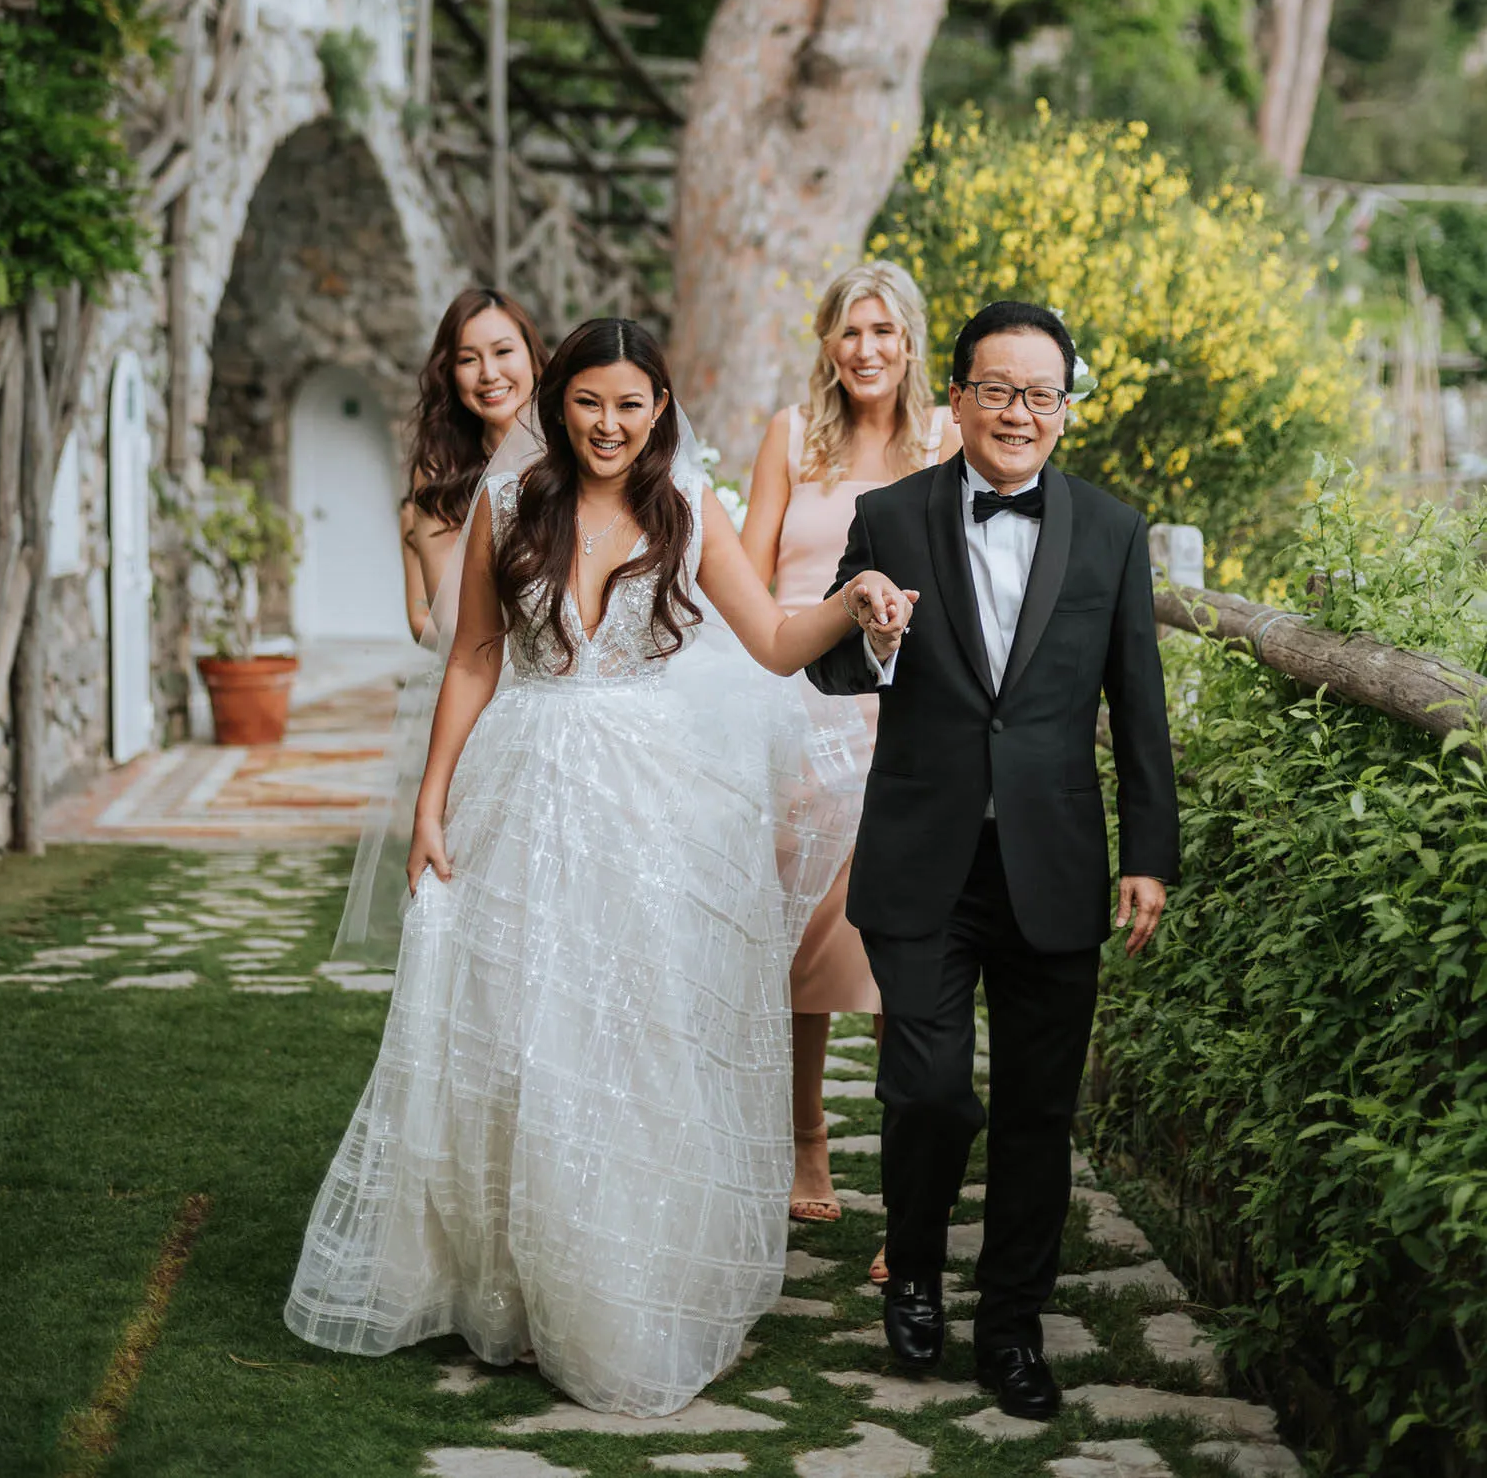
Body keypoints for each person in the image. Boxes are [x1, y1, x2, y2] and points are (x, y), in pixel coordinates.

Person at [287, 317, 915, 1416]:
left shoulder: (691, 511)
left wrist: (853, 605)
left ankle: (626, 1275)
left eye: (631, 404)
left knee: (634, 1029)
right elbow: (477, 656)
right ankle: (517, 1285)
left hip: (651, 807)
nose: (610, 425)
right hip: (522, 790)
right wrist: (432, 802)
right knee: (522, 1031)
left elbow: (770, 638)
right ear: (557, 404)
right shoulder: (505, 505)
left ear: (659, 408)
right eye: (589, 403)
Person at [806, 299, 1179, 1423]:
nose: (1020, 412)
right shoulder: (891, 514)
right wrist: (870, 631)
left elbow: (1138, 703)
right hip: (924, 856)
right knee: (927, 1090)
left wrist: (1149, 853)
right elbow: (829, 673)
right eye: (998, 390)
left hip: (1057, 863)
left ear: (1066, 409)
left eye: (1042, 394)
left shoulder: (1113, 532)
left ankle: (1012, 1327)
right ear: (956, 396)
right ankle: (912, 1269)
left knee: (1037, 1112)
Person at [742, 260, 958, 1228]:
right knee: (803, 949)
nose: (866, 350)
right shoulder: (791, 436)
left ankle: (903, 1188)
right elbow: (746, 581)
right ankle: (805, 1144)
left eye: (884, 332)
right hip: (796, 714)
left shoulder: (947, 440)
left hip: (906, 717)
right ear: (827, 343)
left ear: (910, 342)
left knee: (904, 951)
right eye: (848, 331)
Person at [401, 287, 548, 639]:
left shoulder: (575, 449)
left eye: (503, 352)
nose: (489, 374)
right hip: (486, 662)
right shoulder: (441, 473)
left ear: (532, 356)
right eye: (468, 359)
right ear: (449, 373)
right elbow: (449, 618)